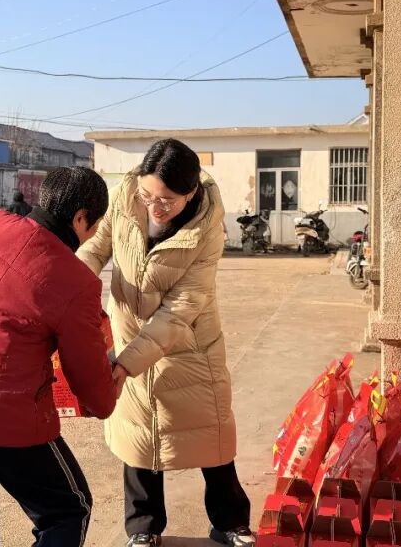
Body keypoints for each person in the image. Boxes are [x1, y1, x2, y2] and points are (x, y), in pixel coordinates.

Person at [0, 166, 125, 547]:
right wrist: (113, 385)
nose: (93, 235)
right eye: (95, 226)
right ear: (81, 218)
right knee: (68, 510)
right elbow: (93, 388)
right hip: (4, 415)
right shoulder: (77, 283)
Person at [77, 140, 254, 547]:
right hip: (129, 332)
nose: (154, 207)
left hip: (189, 341)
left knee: (210, 432)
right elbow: (94, 251)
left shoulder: (207, 228)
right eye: (147, 195)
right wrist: (70, 287)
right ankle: (143, 526)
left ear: (189, 194)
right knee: (138, 436)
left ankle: (230, 521)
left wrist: (128, 362)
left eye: (166, 201)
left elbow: (181, 308)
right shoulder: (124, 198)